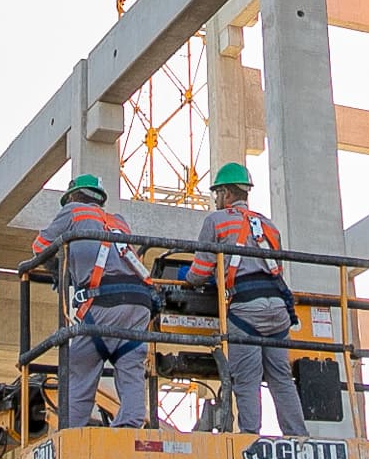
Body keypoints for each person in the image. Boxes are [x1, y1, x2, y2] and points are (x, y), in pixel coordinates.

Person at [186, 163, 309, 437]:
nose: (216, 199)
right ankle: (297, 435)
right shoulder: (269, 226)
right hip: (278, 309)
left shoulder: (216, 221)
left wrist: (189, 276)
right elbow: (277, 268)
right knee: (281, 378)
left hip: (246, 310)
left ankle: (250, 436)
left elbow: (199, 273)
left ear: (228, 193)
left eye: (217, 193)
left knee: (247, 379)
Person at [30, 176, 157, 430]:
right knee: (130, 364)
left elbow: (40, 247)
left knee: (80, 363)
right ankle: (130, 426)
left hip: (102, 302)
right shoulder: (118, 221)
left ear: (73, 197)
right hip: (139, 301)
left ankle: (70, 431)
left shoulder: (72, 211)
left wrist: (57, 270)